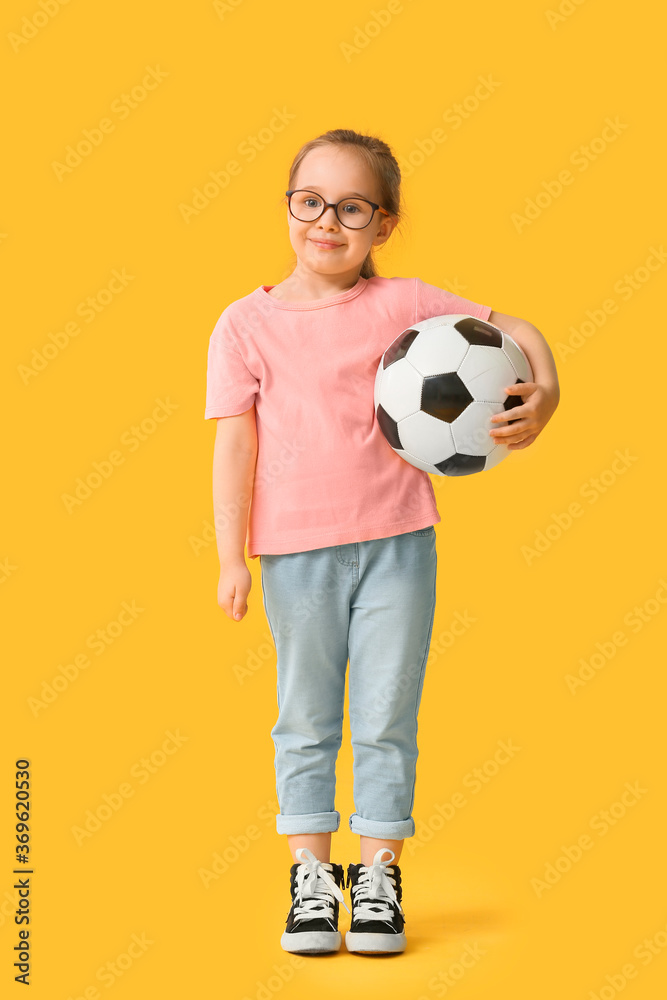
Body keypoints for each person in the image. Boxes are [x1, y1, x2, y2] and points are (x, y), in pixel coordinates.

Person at [204, 128, 560, 956]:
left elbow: (519, 329)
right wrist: (231, 557)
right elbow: (234, 445)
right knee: (304, 716)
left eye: (351, 207)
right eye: (309, 202)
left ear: (383, 223)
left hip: (400, 542)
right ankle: (309, 879)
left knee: (386, 716)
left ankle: (377, 881)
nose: (326, 221)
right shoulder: (243, 324)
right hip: (294, 553)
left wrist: (543, 395)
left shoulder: (402, 306)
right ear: (288, 206)